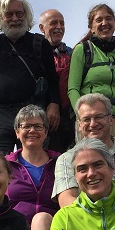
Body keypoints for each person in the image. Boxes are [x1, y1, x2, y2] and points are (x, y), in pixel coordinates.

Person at [0, 0, 60, 154]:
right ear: (0, 17)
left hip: (33, 111)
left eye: (19, 13)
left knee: (34, 162)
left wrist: (54, 104)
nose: (15, 19)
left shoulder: (40, 43)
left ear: (26, 15)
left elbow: (52, 79)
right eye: (8, 14)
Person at [67, 4, 115, 148]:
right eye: (99, 20)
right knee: (92, 166)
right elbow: (73, 89)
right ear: (91, 26)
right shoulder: (83, 50)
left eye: (108, 19)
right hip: (90, 122)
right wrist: (82, 117)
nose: (104, 23)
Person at [52, 93, 115, 208]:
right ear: (79, 124)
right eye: (86, 119)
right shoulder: (66, 159)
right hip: (83, 224)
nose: (93, 124)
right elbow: (67, 202)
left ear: (111, 120)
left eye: (98, 117)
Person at [5, 105, 60, 230]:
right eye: (26, 126)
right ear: (17, 132)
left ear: (46, 132)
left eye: (38, 126)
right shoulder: (5, 165)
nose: (32, 131)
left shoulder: (61, 163)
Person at [39, 9, 76, 152]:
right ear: (42, 28)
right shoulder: (35, 54)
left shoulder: (73, 54)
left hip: (69, 117)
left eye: (62, 23)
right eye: (53, 23)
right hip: (43, 116)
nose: (59, 27)